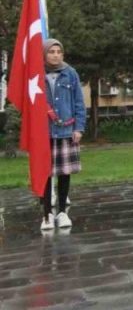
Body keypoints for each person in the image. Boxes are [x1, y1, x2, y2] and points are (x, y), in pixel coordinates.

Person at [39, 38, 86, 232]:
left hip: (66, 130)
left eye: (59, 52)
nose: (56, 55)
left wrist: (79, 128)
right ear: (44, 54)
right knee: (45, 173)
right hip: (44, 132)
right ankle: (47, 214)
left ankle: (62, 213)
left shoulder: (70, 73)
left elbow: (78, 102)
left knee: (64, 172)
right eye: (51, 51)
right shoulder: (37, 74)